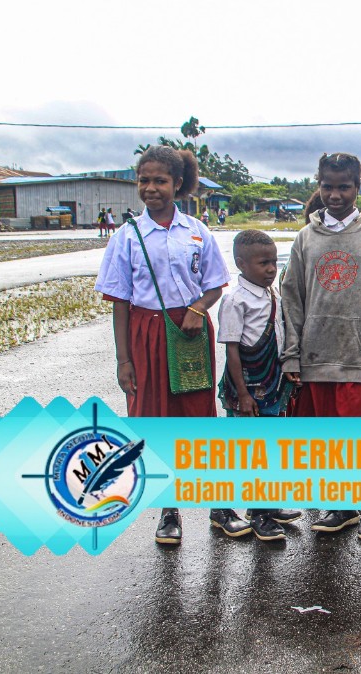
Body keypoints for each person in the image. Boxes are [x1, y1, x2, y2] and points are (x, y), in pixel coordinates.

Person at [95, 145, 250, 544]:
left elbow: (215, 283)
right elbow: (120, 303)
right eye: (144, 180)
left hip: (189, 334)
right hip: (144, 335)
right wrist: (123, 360)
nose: (151, 188)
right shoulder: (127, 237)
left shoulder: (198, 231)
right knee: (154, 420)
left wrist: (198, 309)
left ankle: (219, 508)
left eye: (159, 180)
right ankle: (168, 511)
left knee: (199, 420)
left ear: (177, 184)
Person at [280, 153, 361, 540]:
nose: (335, 195)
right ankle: (343, 505)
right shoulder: (306, 237)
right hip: (316, 356)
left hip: (358, 356)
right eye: (328, 186)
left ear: (357, 188)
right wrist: (292, 354)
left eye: (343, 187)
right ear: (318, 185)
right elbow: (292, 299)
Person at [216, 229, 303, 541]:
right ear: (241, 264)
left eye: (273, 262)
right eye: (263, 263)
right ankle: (260, 514)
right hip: (249, 387)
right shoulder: (235, 301)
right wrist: (242, 393)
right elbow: (232, 349)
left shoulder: (271, 295)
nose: (270, 269)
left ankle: (263, 507)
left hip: (272, 383)